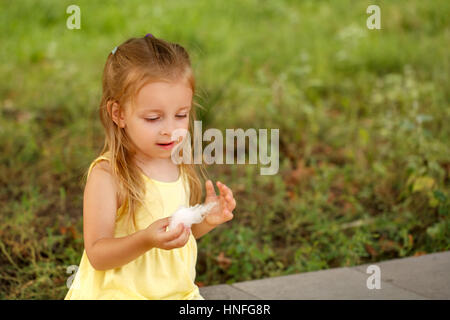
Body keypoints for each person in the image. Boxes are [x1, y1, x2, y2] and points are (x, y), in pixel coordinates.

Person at [64, 34, 236, 300]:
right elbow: (97, 254)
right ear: (118, 114)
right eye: (154, 118)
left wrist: (205, 219)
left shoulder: (178, 164)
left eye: (181, 115)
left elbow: (175, 234)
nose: (170, 130)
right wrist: (145, 239)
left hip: (176, 294)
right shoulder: (109, 175)